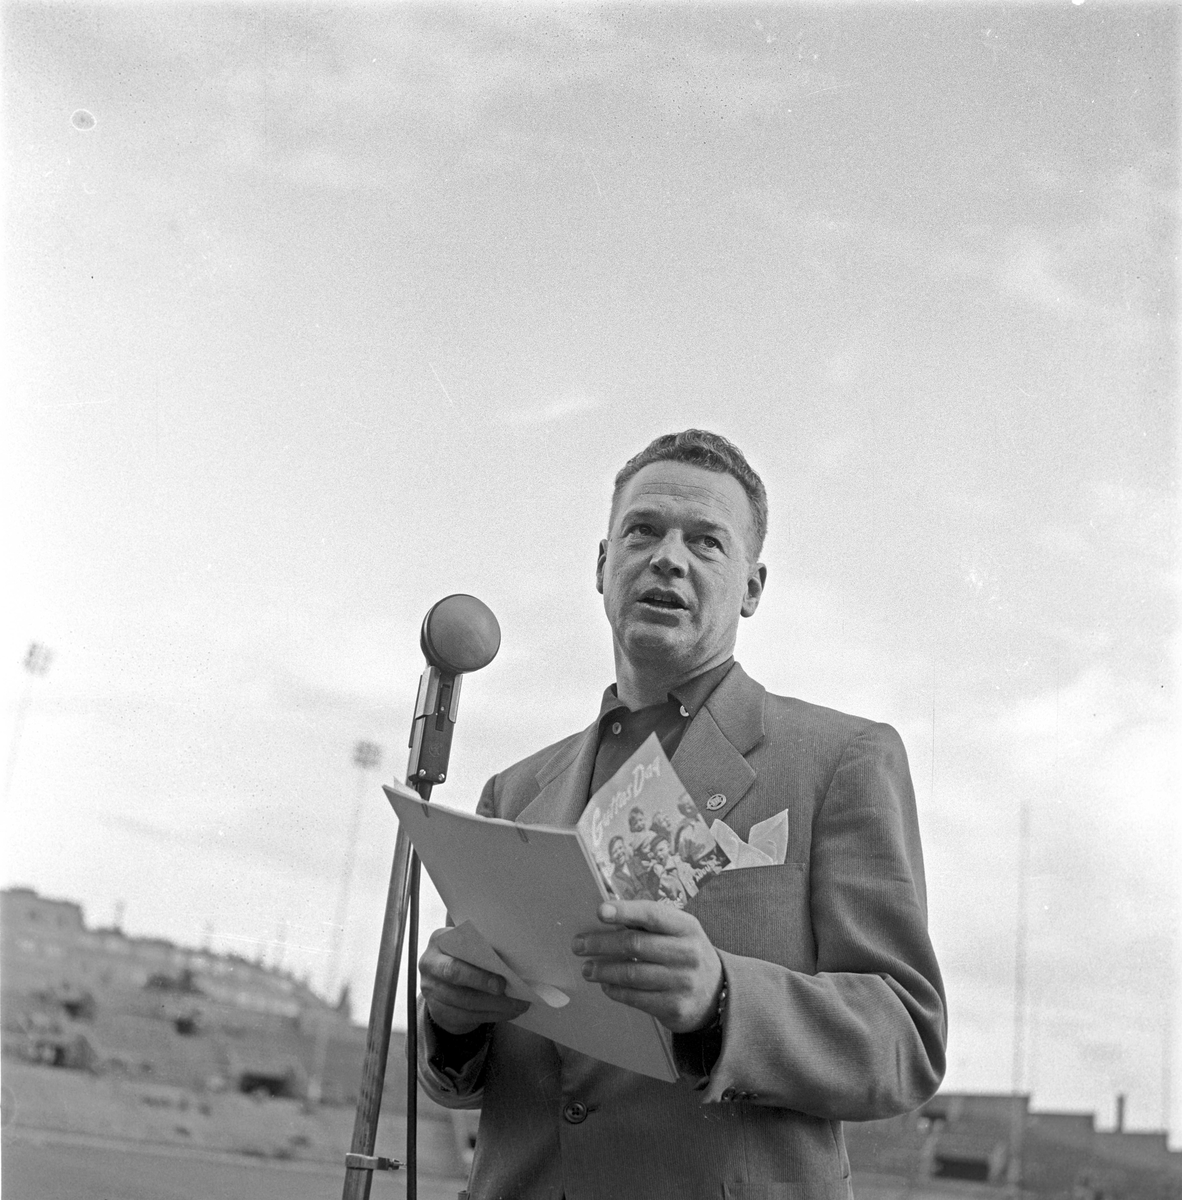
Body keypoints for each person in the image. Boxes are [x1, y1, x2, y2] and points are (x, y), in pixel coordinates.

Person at [417, 429, 946, 1200]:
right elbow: (476, 1080)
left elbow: (906, 1040)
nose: (669, 557)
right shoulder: (513, 791)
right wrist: (453, 1022)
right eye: (643, 530)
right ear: (603, 566)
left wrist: (724, 998)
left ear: (753, 588)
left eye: (706, 542)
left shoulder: (842, 760)